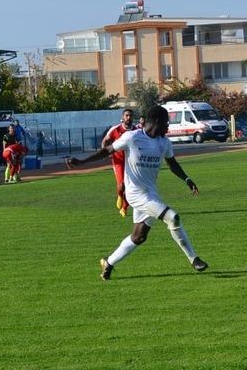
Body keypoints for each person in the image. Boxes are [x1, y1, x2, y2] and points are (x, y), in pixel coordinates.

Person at [66, 105, 208, 280]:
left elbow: (172, 164)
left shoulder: (164, 142)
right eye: (166, 122)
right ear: (156, 121)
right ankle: (194, 259)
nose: (168, 126)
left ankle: (108, 263)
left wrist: (187, 179)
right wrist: (81, 162)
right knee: (173, 217)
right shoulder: (132, 137)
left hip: (151, 194)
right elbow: (107, 150)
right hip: (135, 194)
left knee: (139, 236)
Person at [103, 109, 136, 218]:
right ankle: (119, 195)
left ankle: (124, 208)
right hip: (118, 161)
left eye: (130, 116)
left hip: (131, 163)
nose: (128, 118)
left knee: (130, 187)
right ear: (123, 117)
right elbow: (105, 141)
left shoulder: (136, 130)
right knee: (121, 185)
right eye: (127, 115)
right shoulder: (115, 129)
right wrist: (104, 152)